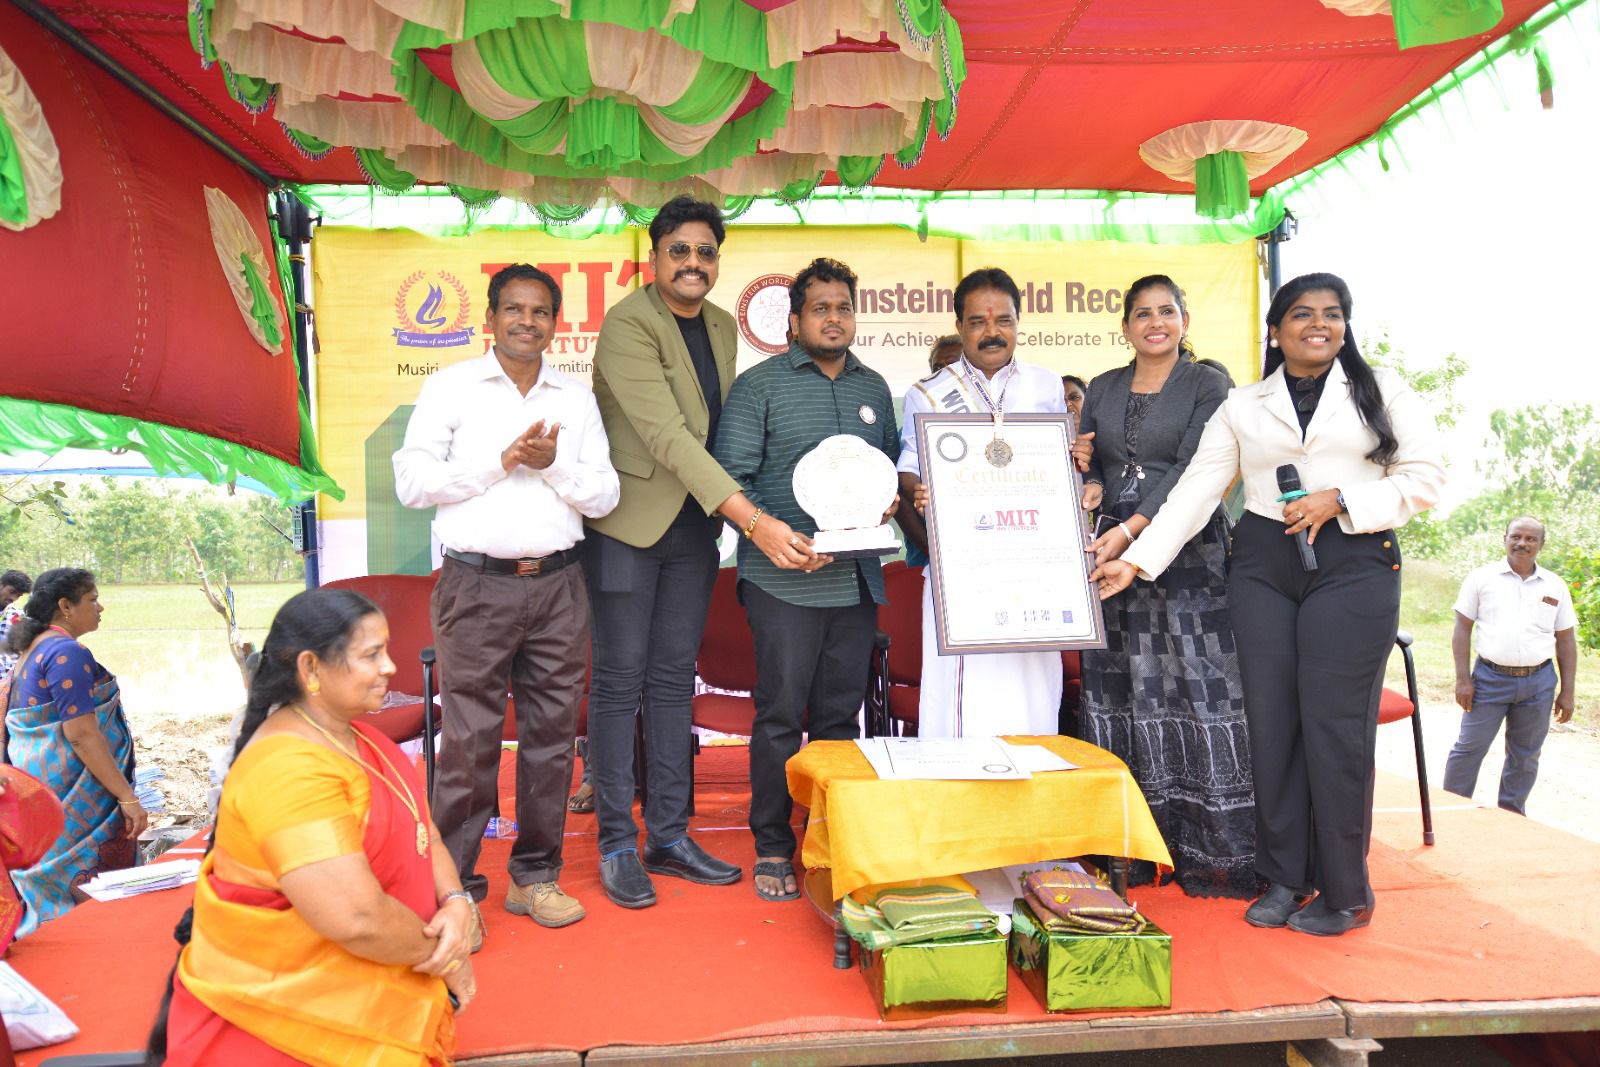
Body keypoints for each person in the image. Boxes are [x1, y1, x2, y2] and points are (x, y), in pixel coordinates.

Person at [1093, 272, 1443, 937]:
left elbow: (1426, 476)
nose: (1320, 324)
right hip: (1263, 565)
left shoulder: (1382, 389)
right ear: (1275, 332)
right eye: (1303, 314)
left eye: (1333, 314)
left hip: (1353, 564)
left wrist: (1340, 499)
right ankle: (1285, 878)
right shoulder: (1244, 404)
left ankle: (1346, 890)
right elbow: (1197, 490)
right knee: (1272, 725)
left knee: (1334, 727)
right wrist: (1133, 561)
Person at [147, 588, 470, 1066]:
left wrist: (457, 904)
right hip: (288, 1026)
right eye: (372, 654)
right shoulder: (288, 769)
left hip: (373, 997)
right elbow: (356, 920)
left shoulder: (365, 739)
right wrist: (446, 957)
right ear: (311, 669)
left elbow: (427, 834)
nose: (390, 667)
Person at [394, 263, 619, 934]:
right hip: (475, 584)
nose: (528, 321)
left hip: (557, 585)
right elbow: (413, 482)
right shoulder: (451, 387)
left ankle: (534, 877)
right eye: (514, 309)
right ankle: (455, 890)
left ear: (557, 323)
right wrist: (503, 459)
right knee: (468, 742)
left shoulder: (575, 400)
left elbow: (605, 495)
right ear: (489, 319)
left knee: (553, 736)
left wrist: (554, 466)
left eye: (541, 311)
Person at [584, 195, 789, 909]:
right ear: (655, 256)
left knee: (674, 681)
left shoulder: (725, 327)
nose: (693, 263)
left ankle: (668, 835)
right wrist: (755, 521)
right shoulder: (627, 325)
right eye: (681, 250)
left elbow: (723, 432)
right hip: (627, 530)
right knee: (618, 684)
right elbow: (668, 437)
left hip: (694, 532)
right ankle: (615, 840)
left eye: (706, 252)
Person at [713, 257, 899, 902]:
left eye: (844, 307)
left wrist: (888, 504)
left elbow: (885, 474)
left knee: (839, 720)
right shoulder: (759, 386)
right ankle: (771, 845)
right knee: (779, 717)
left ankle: (828, 837)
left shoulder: (874, 389)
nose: (834, 318)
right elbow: (726, 479)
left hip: (855, 583)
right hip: (783, 582)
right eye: (820, 308)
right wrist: (775, 535)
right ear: (794, 321)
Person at [1076, 275, 1254, 899]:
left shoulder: (1209, 384)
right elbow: (1095, 460)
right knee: (1122, 685)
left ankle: (1208, 845)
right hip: (1107, 550)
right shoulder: (1101, 387)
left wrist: (1130, 530)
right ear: (1125, 326)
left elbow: (1191, 470)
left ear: (1184, 318)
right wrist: (1088, 478)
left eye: (1166, 311)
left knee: (1195, 685)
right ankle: (1130, 847)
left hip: (1187, 550)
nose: (1155, 322)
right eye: (1142, 314)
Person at [898, 268, 1079, 737]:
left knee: (1032, 681)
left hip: (1031, 562)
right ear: (960, 328)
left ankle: (1033, 777)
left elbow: (1063, 464)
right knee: (963, 687)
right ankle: (960, 789)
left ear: (1019, 324)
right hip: (963, 562)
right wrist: (919, 489)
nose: (992, 331)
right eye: (978, 321)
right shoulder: (929, 394)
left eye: (1004, 320)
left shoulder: (1046, 385)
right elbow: (909, 467)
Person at [1, 568, 145, 937]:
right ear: (65, 606)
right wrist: (127, 798)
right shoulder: (66, 652)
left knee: (52, 886)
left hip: (44, 786)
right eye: (92, 599)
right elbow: (81, 734)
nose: (101, 607)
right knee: (81, 887)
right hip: (74, 795)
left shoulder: (37, 647)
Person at [1441, 516, 1577, 814]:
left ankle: (1511, 817)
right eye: (1516, 536)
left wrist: (1567, 692)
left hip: (1539, 683)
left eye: (1531, 539)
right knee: (1469, 749)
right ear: (1505, 538)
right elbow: (1461, 629)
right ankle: (1449, 811)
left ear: (1541, 544)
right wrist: (1463, 679)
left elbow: (1566, 640)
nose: (1522, 543)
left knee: (1525, 756)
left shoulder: (1555, 585)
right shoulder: (1482, 578)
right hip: (1489, 679)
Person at [0, 569, 31, 683]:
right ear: (1, 584)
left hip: (7, 684)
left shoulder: (18, 615)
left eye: (18, 595)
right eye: (12, 592)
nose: (13, 599)